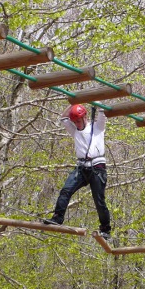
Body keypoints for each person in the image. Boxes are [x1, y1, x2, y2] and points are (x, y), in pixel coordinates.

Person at [44, 103, 111, 240]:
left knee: (99, 200)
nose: (77, 124)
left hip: (97, 168)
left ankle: (105, 229)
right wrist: (73, 103)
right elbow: (63, 118)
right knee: (65, 190)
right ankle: (57, 217)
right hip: (81, 168)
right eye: (75, 122)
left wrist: (93, 100)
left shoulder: (97, 127)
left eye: (79, 121)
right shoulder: (74, 130)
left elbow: (103, 109)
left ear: (85, 117)